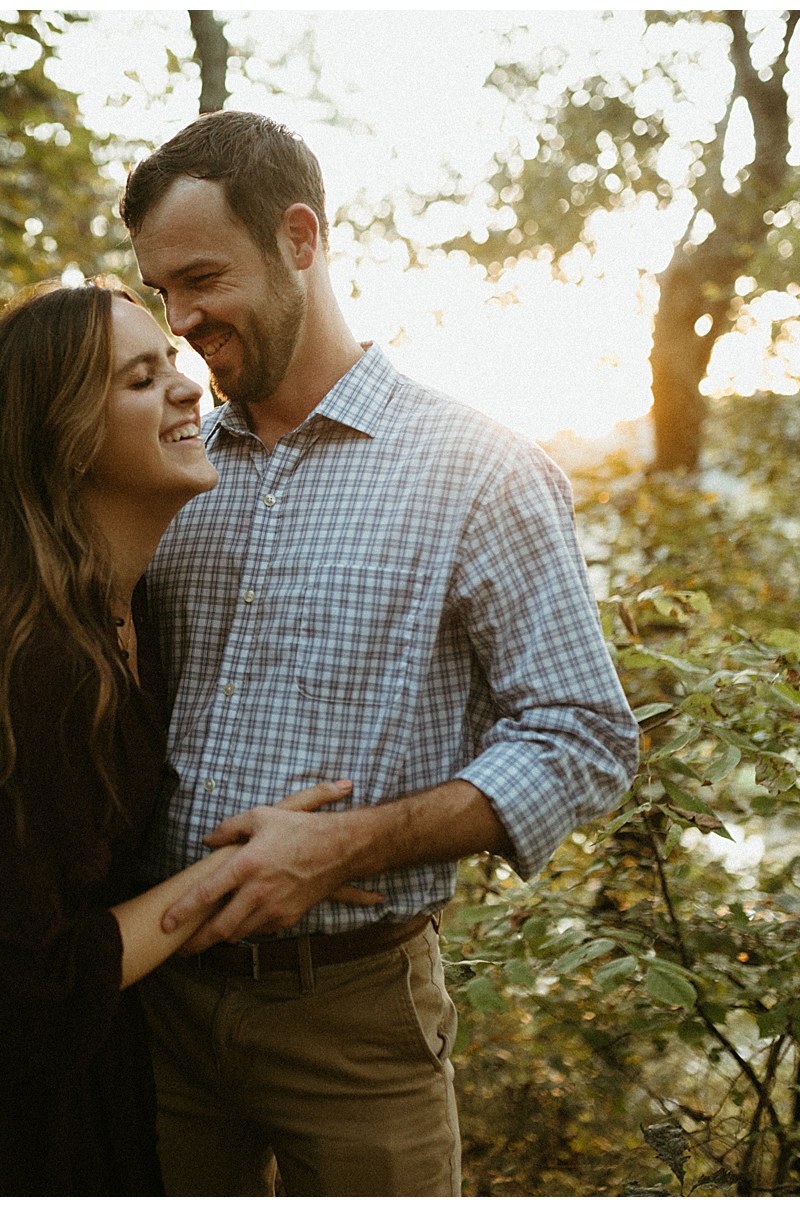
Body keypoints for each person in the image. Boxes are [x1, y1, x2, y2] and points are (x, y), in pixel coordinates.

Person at [119, 110, 642, 1195]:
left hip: (355, 1020)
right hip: (152, 1003)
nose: (183, 321)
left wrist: (342, 847)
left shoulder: (481, 469)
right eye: (162, 293)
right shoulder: (171, 469)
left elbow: (585, 735)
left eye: (203, 278)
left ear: (300, 238)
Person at [0, 279, 373, 1195]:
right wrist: (242, 866)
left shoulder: (131, 610)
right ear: (65, 440)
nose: (190, 388)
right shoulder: (35, 662)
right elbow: (30, 987)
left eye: (175, 365)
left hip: (69, 1092)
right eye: (141, 379)